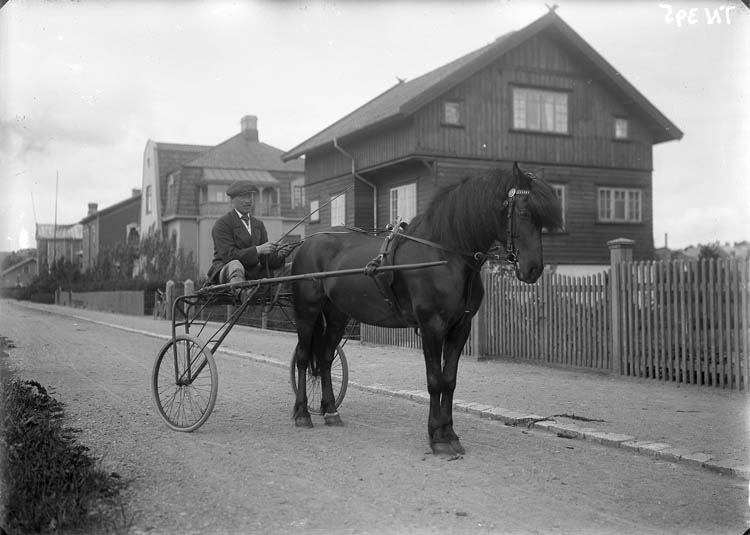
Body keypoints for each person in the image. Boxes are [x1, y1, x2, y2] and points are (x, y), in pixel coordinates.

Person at [206, 181, 293, 301]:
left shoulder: (258, 224)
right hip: (226, 272)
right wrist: (258, 249)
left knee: (294, 266)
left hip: (252, 273)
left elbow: (265, 261)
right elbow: (229, 255)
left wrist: (280, 254)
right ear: (232, 200)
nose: (248, 200)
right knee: (235, 264)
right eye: (243, 197)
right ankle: (244, 297)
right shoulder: (222, 224)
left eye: (250, 196)